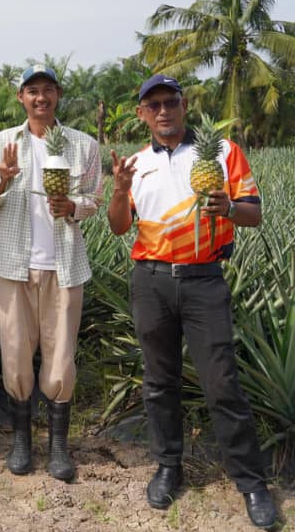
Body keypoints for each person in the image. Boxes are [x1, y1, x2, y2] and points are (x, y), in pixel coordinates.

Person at [107, 74, 278, 529]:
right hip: (151, 279)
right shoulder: (136, 162)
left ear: (184, 106)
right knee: (159, 381)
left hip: (204, 280)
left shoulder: (222, 153)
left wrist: (227, 209)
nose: (163, 111)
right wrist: (120, 191)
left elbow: (254, 214)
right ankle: (169, 466)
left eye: (170, 102)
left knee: (222, 382)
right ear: (142, 113)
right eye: (153, 104)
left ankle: (251, 482)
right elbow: (119, 228)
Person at [0, 65, 100, 481]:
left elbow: (94, 197)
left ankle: (59, 446)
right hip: (13, 264)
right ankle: (22, 440)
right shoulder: (2, 143)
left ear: (58, 95)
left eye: (47, 90)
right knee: (15, 355)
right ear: (21, 97)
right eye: (33, 91)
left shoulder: (83, 145)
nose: (40, 98)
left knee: (60, 357)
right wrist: (4, 179)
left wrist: (75, 207)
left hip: (64, 265)